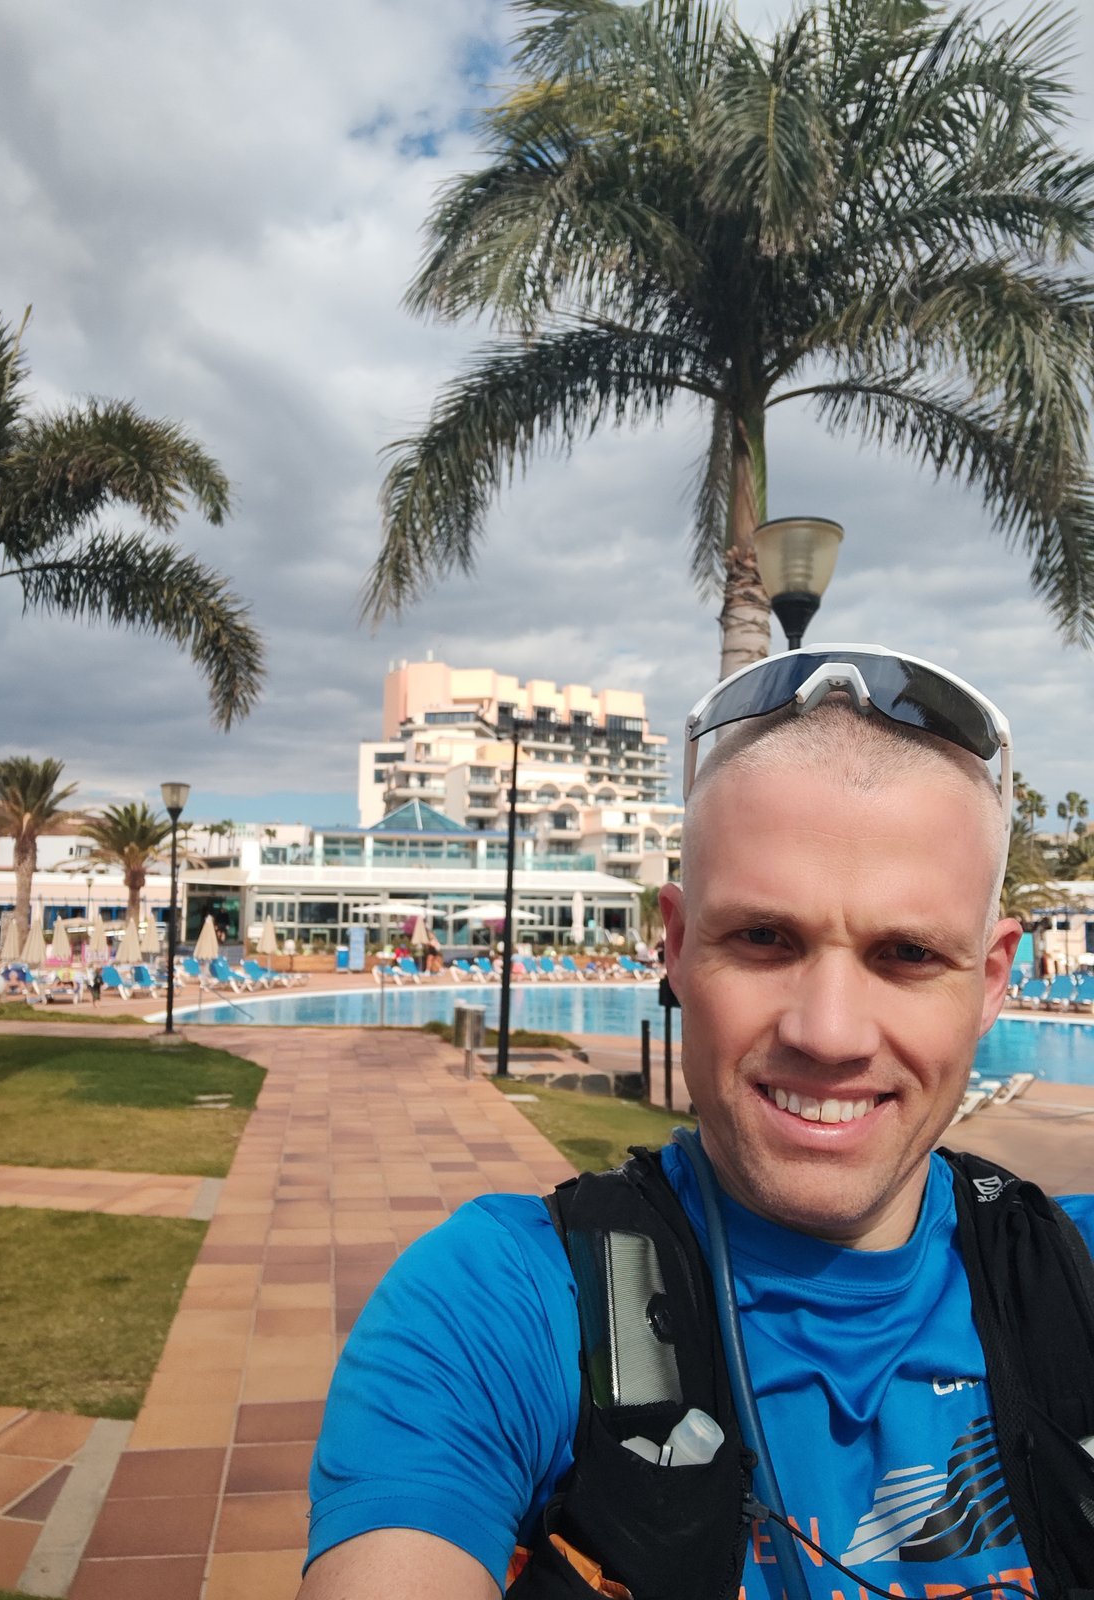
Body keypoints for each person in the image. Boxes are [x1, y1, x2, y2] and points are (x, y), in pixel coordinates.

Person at [298, 646, 1094, 1600]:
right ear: (674, 947)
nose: (829, 1033)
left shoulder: (1074, 1282)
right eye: (764, 938)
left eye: (908, 954)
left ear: (993, 981)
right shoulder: (502, 1306)